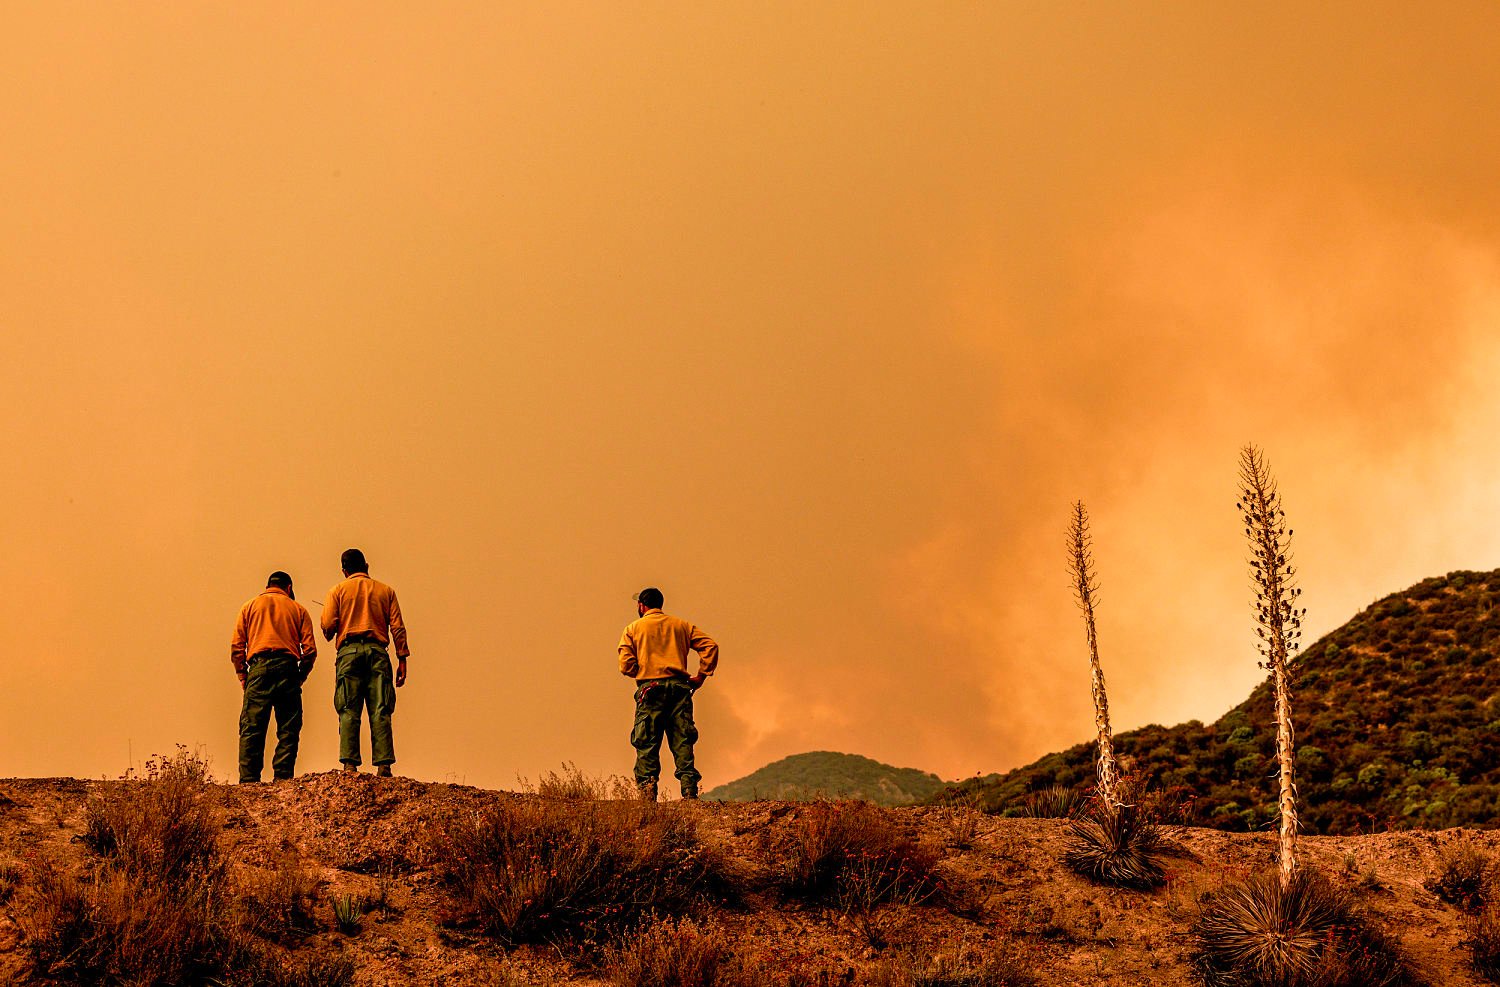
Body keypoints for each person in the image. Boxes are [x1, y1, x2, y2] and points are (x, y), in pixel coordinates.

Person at [618, 587, 719, 801]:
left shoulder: (632, 629)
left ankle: (647, 794)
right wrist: (701, 676)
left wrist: (644, 671)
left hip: (650, 689)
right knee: (682, 739)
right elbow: (710, 646)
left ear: (641, 606)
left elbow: (625, 665)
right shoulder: (681, 625)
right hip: (679, 689)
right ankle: (689, 791)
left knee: (646, 742)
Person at [322, 548, 409, 777]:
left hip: (349, 653)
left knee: (349, 708)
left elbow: (328, 628)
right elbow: (397, 627)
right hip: (378, 653)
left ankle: (350, 764)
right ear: (366, 566)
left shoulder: (337, 591)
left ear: (344, 570)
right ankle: (383, 765)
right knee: (381, 708)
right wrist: (402, 658)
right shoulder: (386, 591)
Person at [230, 571, 317, 784]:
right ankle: (283, 777)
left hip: (258, 668)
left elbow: (237, 647)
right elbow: (310, 650)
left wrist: (243, 674)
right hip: (287, 669)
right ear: (289, 588)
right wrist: (300, 675)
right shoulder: (299, 610)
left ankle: (249, 779)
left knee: (252, 726)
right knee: (288, 726)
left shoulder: (249, 607)